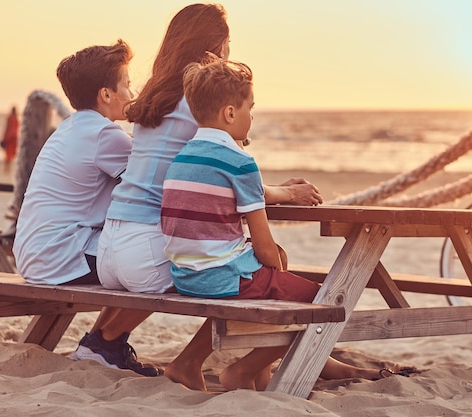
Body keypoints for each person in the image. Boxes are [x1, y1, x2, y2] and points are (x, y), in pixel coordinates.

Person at [93, 3, 322, 389]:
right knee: (227, 268)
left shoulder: (154, 95)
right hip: (147, 246)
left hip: (111, 244)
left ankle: (104, 342)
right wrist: (284, 192)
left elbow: (206, 175)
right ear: (214, 48)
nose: (230, 52)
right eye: (227, 44)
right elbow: (226, 174)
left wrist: (278, 190)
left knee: (248, 265)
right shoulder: (195, 102)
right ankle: (206, 362)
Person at [161, 56, 419, 391]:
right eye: (249, 108)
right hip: (221, 277)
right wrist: (277, 273)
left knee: (275, 275)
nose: (251, 116)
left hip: (185, 276)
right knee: (319, 299)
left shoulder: (182, 158)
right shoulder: (240, 162)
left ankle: (253, 374)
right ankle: (240, 371)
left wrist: (273, 263)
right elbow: (265, 246)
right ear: (229, 113)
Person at [13, 40, 161, 377]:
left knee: (124, 248)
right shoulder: (105, 135)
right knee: (152, 258)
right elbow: (159, 182)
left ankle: (101, 344)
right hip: (60, 255)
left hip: (36, 253)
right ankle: (106, 343)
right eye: (126, 83)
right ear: (106, 94)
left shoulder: (72, 128)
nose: (132, 90)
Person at [0, 106, 19, 174]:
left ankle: (7, 169)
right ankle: (7, 169)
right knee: (8, 154)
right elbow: (8, 128)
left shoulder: (13, 118)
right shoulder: (12, 118)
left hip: (11, 138)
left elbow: (7, 128)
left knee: (10, 154)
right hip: (10, 138)